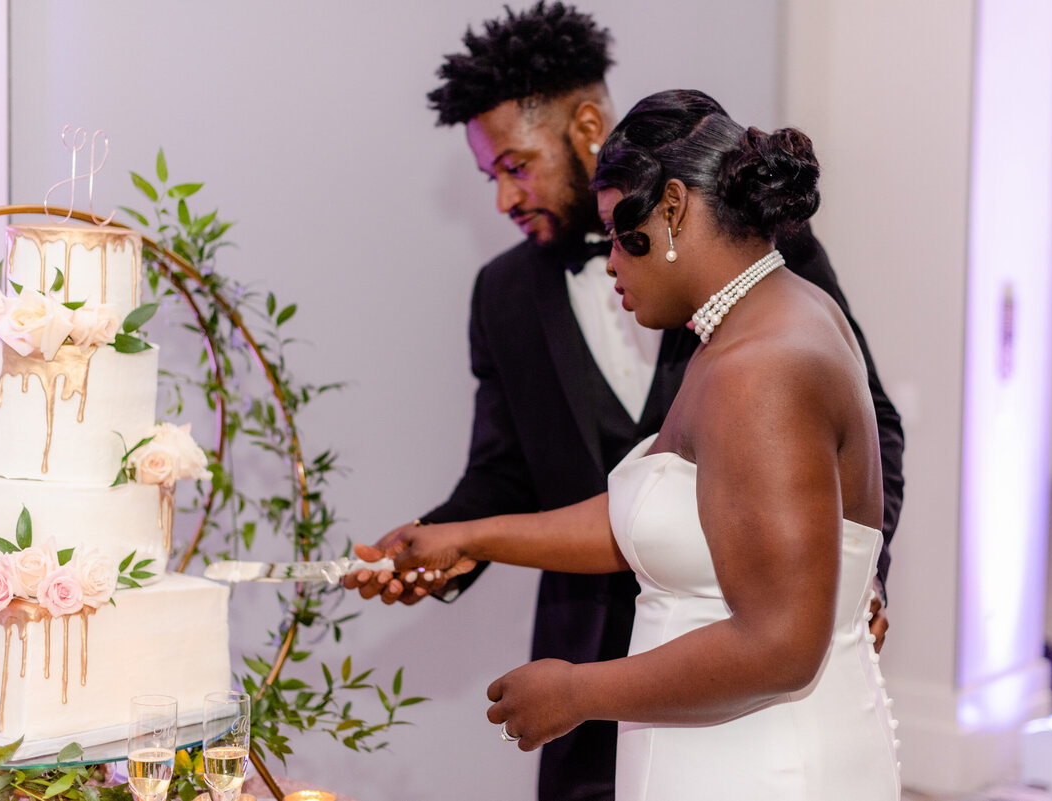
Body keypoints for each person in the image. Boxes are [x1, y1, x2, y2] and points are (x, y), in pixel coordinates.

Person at [343, 5, 904, 801]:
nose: (505, 196)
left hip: (752, 748)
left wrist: (848, 578)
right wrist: (456, 535)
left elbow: (789, 626)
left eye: (514, 163)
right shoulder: (720, 323)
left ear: (667, 208)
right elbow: (616, 499)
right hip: (656, 719)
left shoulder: (761, 341)